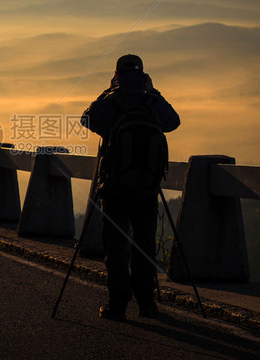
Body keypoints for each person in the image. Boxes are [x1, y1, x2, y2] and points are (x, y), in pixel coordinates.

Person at [81, 54, 180, 320]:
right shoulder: (151, 101)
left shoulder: (112, 102)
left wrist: (109, 90)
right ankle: (147, 304)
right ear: (143, 74)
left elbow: (86, 119)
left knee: (115, 248)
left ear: (117, 74)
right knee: (144, 246)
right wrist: (153, 91)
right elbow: (173, 122)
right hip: (147, 190)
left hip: (114, 188)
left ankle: (118, 305)